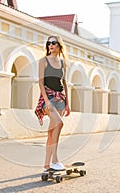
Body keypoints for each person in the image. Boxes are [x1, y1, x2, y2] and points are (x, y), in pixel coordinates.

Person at [35, 35, 71, 172]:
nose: (50, 45)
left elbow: (65, 83)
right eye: (48, 43)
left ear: (59, 45)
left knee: (51, 133)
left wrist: (67, 103)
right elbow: (41, 82)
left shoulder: (63, 63)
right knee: (59, 123)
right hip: (48, 98)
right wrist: (46, 101)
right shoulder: (43, 61)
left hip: (60, 100)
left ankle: (46, 165)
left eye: (53, 43)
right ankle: (55, 160)